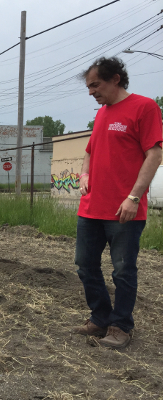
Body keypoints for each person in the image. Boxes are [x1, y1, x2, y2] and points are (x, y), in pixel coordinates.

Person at [71, 57, 162, 348]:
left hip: (124, 210)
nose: (91, 92)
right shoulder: (101, 114)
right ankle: (100, 318)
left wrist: (134, 197)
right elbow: (89, 151)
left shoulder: (144, 107)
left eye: (95, 85)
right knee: (85, 264)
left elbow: (155, 154)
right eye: (88, 87)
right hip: (91, 208)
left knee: (123, 270)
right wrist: (85, 173)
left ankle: (121, 326)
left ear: (116, 80)